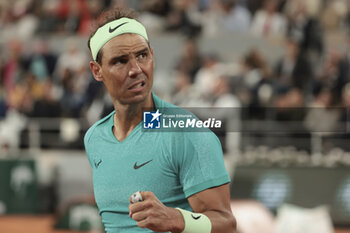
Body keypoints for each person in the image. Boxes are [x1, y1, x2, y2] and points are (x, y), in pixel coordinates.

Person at [84, 7, 236, 233]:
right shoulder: (94, 138)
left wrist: (177, 219)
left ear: (152, 55)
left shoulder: (186, 133)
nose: (136, 69)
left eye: (142, 55)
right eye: (120, 61)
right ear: (97, 71)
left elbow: (226, 224)